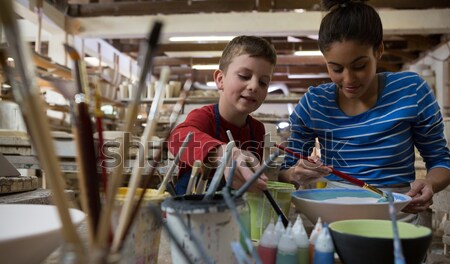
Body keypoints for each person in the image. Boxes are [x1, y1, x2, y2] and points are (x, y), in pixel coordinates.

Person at [279, 0, 450, 219]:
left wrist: (430, 183)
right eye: (336, 68)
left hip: (396, 216)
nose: (348, 79)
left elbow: (441, 161)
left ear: (379, 50)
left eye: (359, 66)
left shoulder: (411, 91)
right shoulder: (315, 103)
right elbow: (284, 171)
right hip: (335, 216)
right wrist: (295, 173)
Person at [168, 35, 277, 195]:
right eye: (244, 76)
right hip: (190, 214)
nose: (254, 86)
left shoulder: (257, 130)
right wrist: (225, 153)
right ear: (220, 80)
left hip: (234, 211)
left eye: (263, 82)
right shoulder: (204, 118)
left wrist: (287, 175)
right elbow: (176, 138)